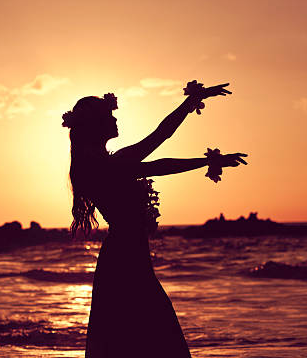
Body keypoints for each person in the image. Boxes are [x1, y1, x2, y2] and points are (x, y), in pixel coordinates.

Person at [62, 80, 247, 357]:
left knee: (139, 336)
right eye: (108, 116)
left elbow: (159, 160)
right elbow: (161, 143)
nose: (114, 118)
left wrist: (206, 160)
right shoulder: (107, 166)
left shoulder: (102, 164)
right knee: (155, 334)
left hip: (126, 257)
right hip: (125, 261)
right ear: (96, 127)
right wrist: (206, 153)